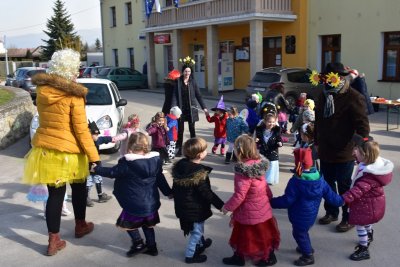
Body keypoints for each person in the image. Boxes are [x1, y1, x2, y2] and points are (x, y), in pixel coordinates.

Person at [23, 48, 99, 256]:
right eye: (76, 69)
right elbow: (81, 130)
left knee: (55, 196)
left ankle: (53, 240)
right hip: (70, 151)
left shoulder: (42, 91)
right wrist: (94, 156)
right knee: (79, 187)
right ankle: (80, 225)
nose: (78, 73)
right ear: (69, 71)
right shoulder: (74, 95)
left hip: (46, 150)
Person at [92, 132, 173, 258]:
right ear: (147, 147)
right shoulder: (156, 161)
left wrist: (96, 169)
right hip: (150, 202)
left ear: (129, 148)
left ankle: (138, 243)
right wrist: (168, 192)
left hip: (134, 203)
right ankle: (152, 247)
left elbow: (112, 172)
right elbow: (160, 178)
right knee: (148, 225)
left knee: (127, 224)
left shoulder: (128, 163)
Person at [314, 62, 370, 232]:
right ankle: (332, 212)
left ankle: (349, 217)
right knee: (327, 184)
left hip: (345, 150)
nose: (327, 81)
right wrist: (316, 140)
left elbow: (362, 125)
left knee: (345, 187)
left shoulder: (354, 97)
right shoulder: (323, 94)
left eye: (330, 77)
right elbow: (319, 120)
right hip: (325, 148)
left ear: (340, 77)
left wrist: (361, 146)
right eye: (325, 77)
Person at [271, 147, 344, 266]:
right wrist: (342, 201)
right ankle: (305, 246)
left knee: (299, 234)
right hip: (311, 215)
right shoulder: (320, 180)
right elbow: (331, 196)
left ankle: (308, 255)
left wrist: (270, 202)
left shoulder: (296, 182)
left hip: (299, 216)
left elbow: (287, 200)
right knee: (303, 232)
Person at [222, 134, 280, 266]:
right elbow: (265, 185)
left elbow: (239, 195)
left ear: (239, 151)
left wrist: (227, 207)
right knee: (263, 235)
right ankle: (266, 256)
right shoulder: (259, 164)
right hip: (262, 208)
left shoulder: (243, 171)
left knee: (246, 236)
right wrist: (269, 199)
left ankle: (263, 258)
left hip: (248, 210)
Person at [171, 137, 224, 264]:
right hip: (194, 209)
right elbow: (206, 193)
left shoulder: (181, 166)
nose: (206, 151)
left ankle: (201, 243)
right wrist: (221, 205)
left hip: (184, 207)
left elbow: (176, 184)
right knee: (196, 231)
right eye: (205, 150)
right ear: (200, 155)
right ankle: (190, 255)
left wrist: (172, 193)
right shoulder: (199, 173)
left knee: (198, 228)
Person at [342, 134, 393, 261]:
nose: (354, 151)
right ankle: (369, 235)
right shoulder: (371, 165)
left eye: (357, 150)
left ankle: (364, 249)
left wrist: (344, 198)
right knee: (367, 223)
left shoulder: (369, 177)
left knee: (360, 225)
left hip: (366, 205)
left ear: (365, 155)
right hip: (371, 205)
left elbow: (357, 191)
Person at [171, 56, 208, 157]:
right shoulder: (177, 82)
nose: (187, 73)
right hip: (181, 109)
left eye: (189, 71)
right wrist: (173, 108)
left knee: (192, 129)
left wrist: (204, 107)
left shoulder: (193, 82)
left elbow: (198, 95)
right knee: (180, 130)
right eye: (186, 71)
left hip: (191, 109)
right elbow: (174, 95)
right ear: (183, 72)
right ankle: (179, 149)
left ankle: (194, 149)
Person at [86, 121, 112, 207]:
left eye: (97, 134)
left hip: (97, 164)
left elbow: (105, 139)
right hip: (88, 166)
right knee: (89, 181)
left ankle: (100, 196)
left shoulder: (98, 140)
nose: (97, 136)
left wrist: (112, 138)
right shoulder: (86, 143)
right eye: (95, 135)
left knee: (98, 179)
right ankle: (86, 197)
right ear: (89, 134)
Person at [256, 113, 283, 185]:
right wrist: (257, 141)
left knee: (272, 164)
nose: (271, 124)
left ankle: (269, 180)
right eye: (269, 122)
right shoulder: (260, 130)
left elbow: (279, 139)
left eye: (273, 122)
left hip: (273, 150)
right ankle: (261, 177)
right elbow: (258, 139)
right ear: (265, 122)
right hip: (263, 150)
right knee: (262, 164)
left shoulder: (276, 130)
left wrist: (280, 143)